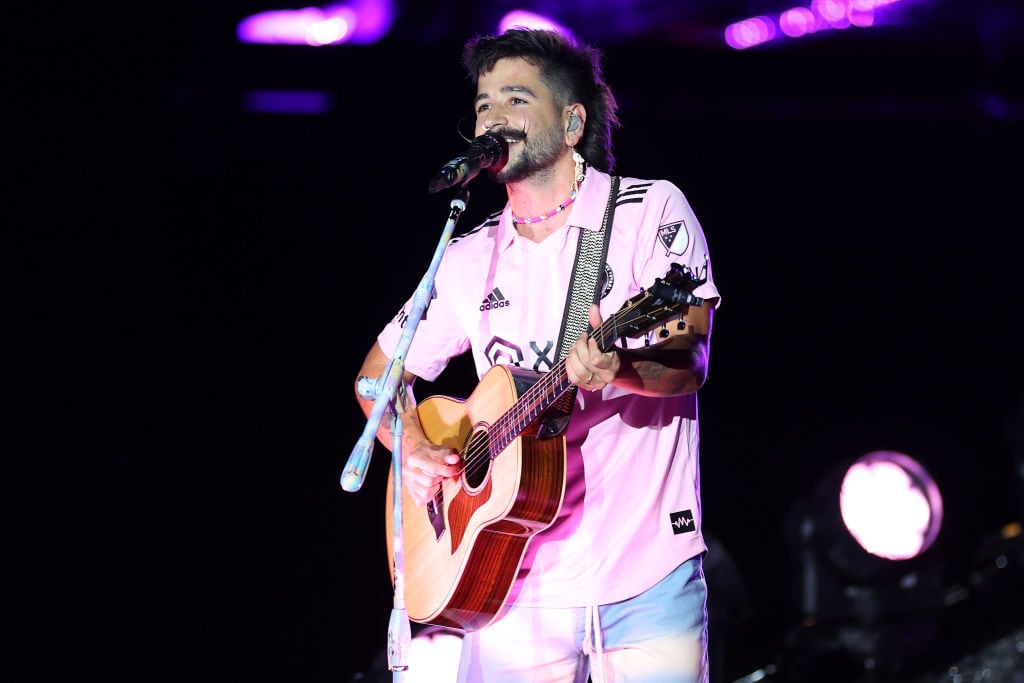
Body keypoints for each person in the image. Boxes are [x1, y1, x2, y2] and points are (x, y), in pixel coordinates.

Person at [354, 27, 721, 683]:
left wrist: (622, 368)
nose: (491, 117)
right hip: (509, 584)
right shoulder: (470, 254)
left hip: (645, 574)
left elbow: (688, 357)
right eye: (483, 104)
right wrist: (410, 440)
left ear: (572, 122)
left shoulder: (648, 212)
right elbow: (377, 375)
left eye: (515, 99)